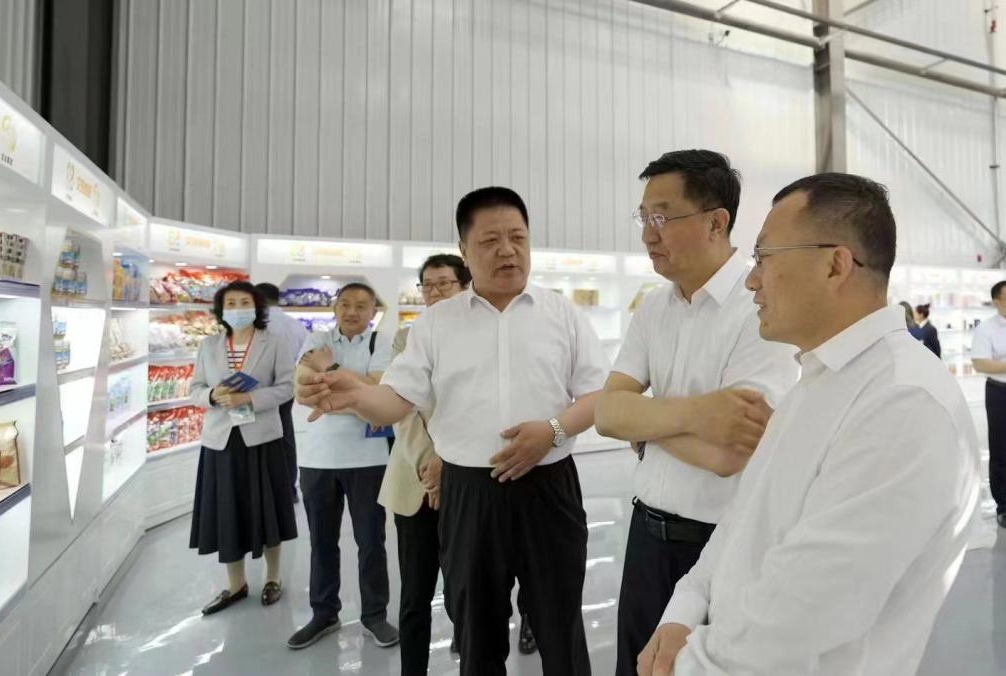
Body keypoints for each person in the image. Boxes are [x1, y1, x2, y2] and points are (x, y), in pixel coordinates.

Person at [639, 173, 980, 676]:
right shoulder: (816, 382)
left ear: (834, 265)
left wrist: (686, 665)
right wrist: (682, 612)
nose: (751, 280)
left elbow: (801, 615)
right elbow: (741, 522)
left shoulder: (903, 403)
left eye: (764, 257)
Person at [298, 186, 609, 676]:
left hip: (549, 489)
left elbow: (597, 395)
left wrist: (552, 431)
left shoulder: (562, 314)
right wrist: (354, 395)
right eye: (490, 241)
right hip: (468, 494)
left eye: (518, 238)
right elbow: (396, 399)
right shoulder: (436, 324)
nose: (507, 251)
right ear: (465, 250)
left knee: (560, 625)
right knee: (476, 632)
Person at [593, 149, 798, 676]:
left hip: (718, 549)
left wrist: (646, 423)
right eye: (643, 217)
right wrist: (699, 414)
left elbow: (729, 453)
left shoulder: (759, 309)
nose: (648, 234)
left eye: (662, 217)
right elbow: (607, 414)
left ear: (715, 222)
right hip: (644, 537)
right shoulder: (653, 307)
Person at [286, 283, 400, 650]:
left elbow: (380, 392)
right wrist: (358, 394)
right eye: (345, 304)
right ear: (335, 309)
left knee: (371, 541)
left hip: (369, 459)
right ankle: (324, 613)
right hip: (317, 458)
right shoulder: (316, 339)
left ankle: (375, 615)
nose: (352, 312)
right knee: (321, 541)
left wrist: (330, 371)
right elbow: (305, 390)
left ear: (373, 312)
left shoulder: (381, 343)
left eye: (361, 306)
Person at [188, 281, 298, 615]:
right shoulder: (209, 345)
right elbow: (195, 388)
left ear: (257, 307)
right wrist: (211, 395)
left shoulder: (274, 342)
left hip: (262, 439)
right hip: (220, 441)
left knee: (268, 510)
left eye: (244, 302)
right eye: (231, 303)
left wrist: (249, 398)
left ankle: (272, 578)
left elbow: (287, 387)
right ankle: (235, 584)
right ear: (221, 310)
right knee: (227, 511)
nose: (238, 308)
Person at [255, 282, 309, 502]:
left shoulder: (257, 324)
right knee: (285, 434)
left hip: (257, 389)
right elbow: (307, 356)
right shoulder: (296, 326)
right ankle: (288, 489)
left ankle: (262, 489)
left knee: (258, 436)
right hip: (287, 387)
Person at [971, 281, 1006, 528]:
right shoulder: (986, 329)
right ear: (996, 301)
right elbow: (980, 363)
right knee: (1001, 448)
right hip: (999, 392)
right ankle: (1003, 505)